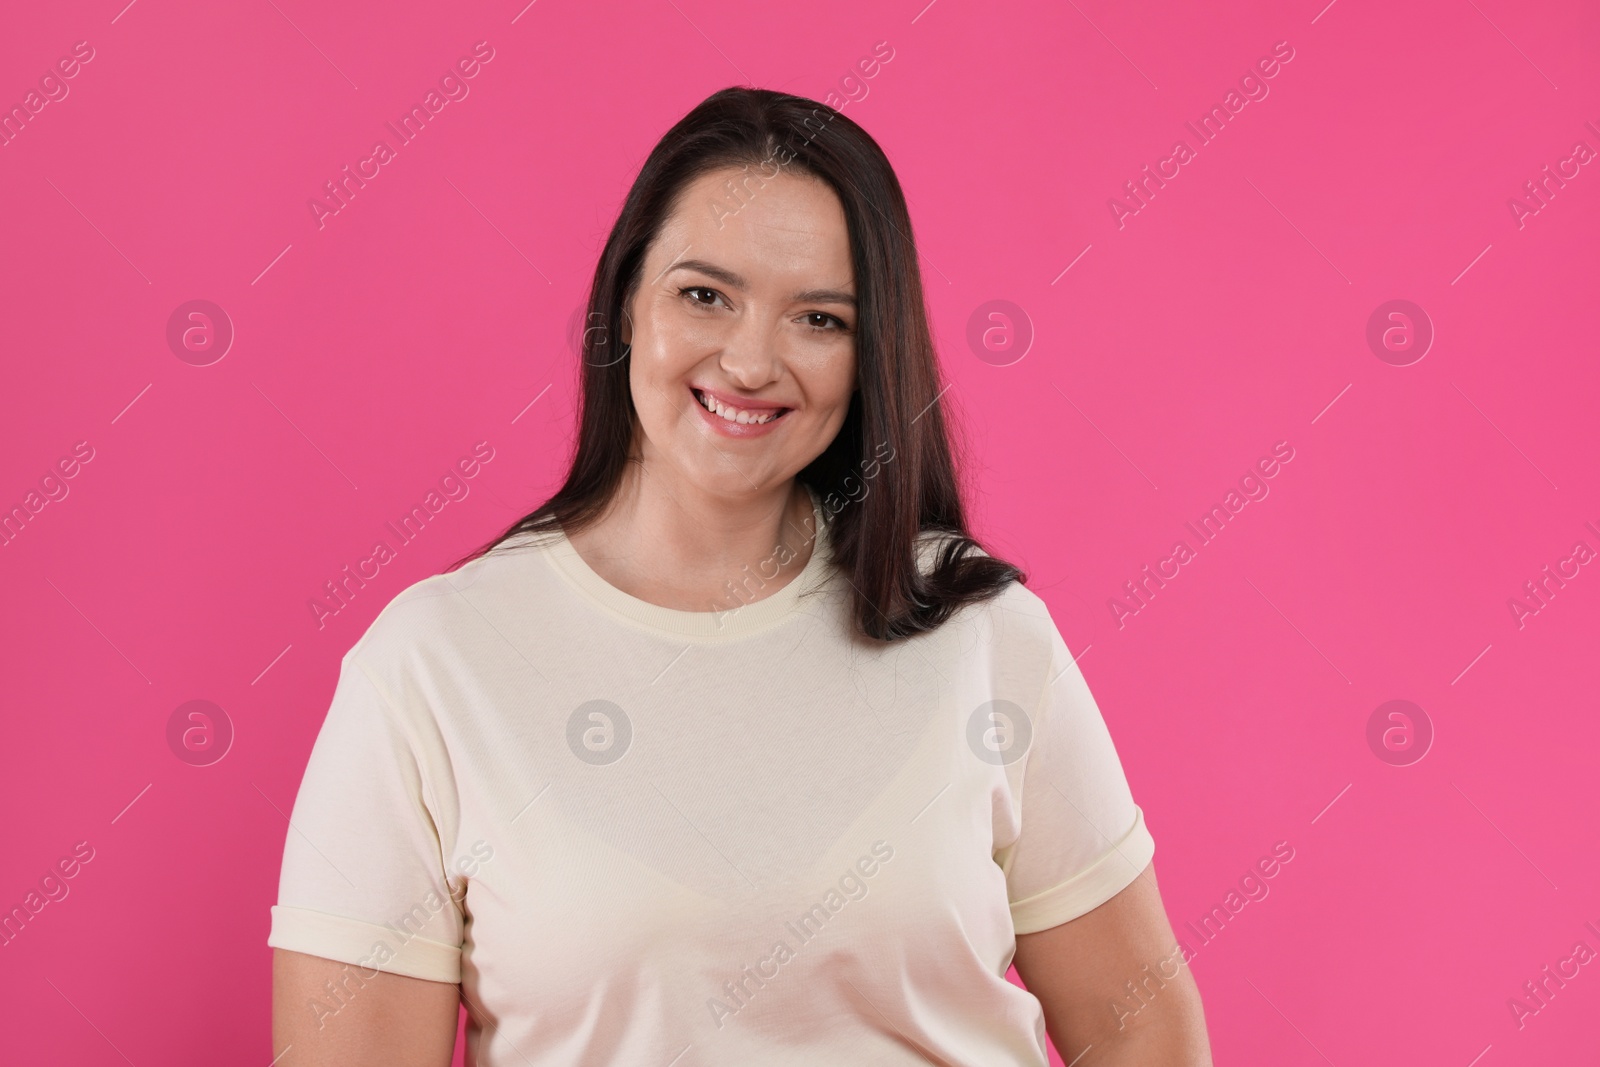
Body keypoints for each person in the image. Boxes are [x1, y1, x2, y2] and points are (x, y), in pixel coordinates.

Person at [268, 86, 1212, 1066]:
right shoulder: (433, 665)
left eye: (818, 317)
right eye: (704, 294)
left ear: (869, 354)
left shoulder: (980, 632)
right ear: (626, 300)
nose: (752, 360)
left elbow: (1138, 1020)